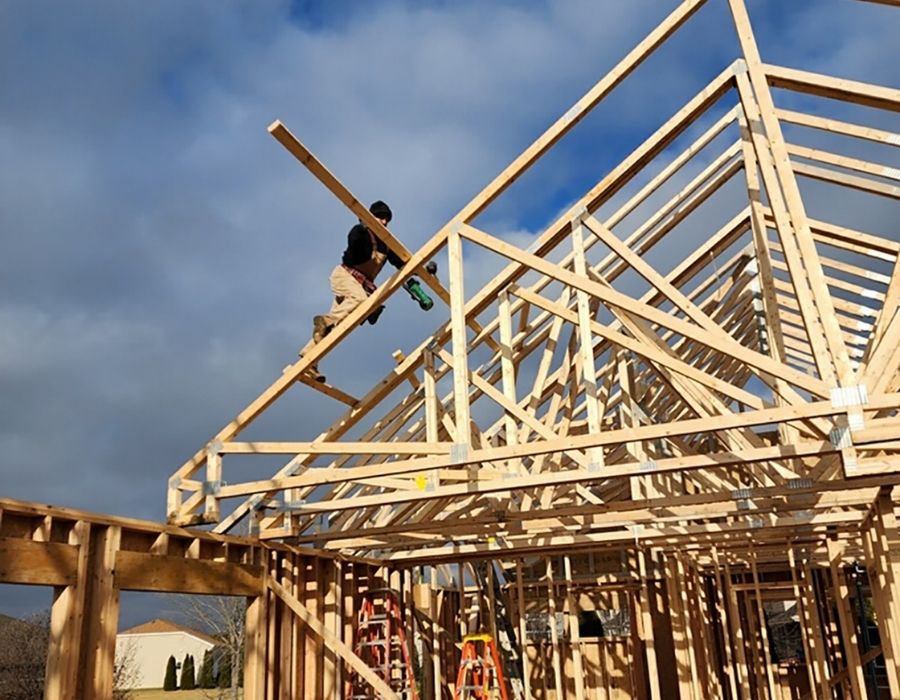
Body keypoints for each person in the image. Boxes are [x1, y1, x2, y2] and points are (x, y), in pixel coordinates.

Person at [298, 200, 403, 381]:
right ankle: (325, 320)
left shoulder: (386, 245)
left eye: (387, 220)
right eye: (380, 218)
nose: (384, 223)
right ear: (371, 218)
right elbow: (353, 243)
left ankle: (308, 362)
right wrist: (363, 228)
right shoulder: (360, 232)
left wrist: (420, 270)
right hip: (345, 276)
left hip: (359, 284)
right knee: (361, 301)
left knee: (335, 328)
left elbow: (401, 261)